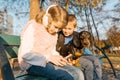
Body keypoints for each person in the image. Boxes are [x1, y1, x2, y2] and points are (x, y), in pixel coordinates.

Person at [18, 4, 84, 80]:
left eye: (59, 29)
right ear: (47, 19)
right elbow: (25, 54)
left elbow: (52, 50)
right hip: (32, 64)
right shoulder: (33, 27)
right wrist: (49, 57)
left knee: (78, 73)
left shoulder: (53, 32)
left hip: (46, 62)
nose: (56, 31)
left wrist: (58, 57)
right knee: (65, 76)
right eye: (56, 27)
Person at [56, 15, 102, 80]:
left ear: (74, 27)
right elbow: (55, 51)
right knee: (89, 64)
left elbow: (83, 48)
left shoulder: (78, 35)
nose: (66, 31)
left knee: (96, 60)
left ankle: (98, 78)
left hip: (78, 55)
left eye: (69, 28)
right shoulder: (58, 36)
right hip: (65, 58)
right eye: (64, 28)